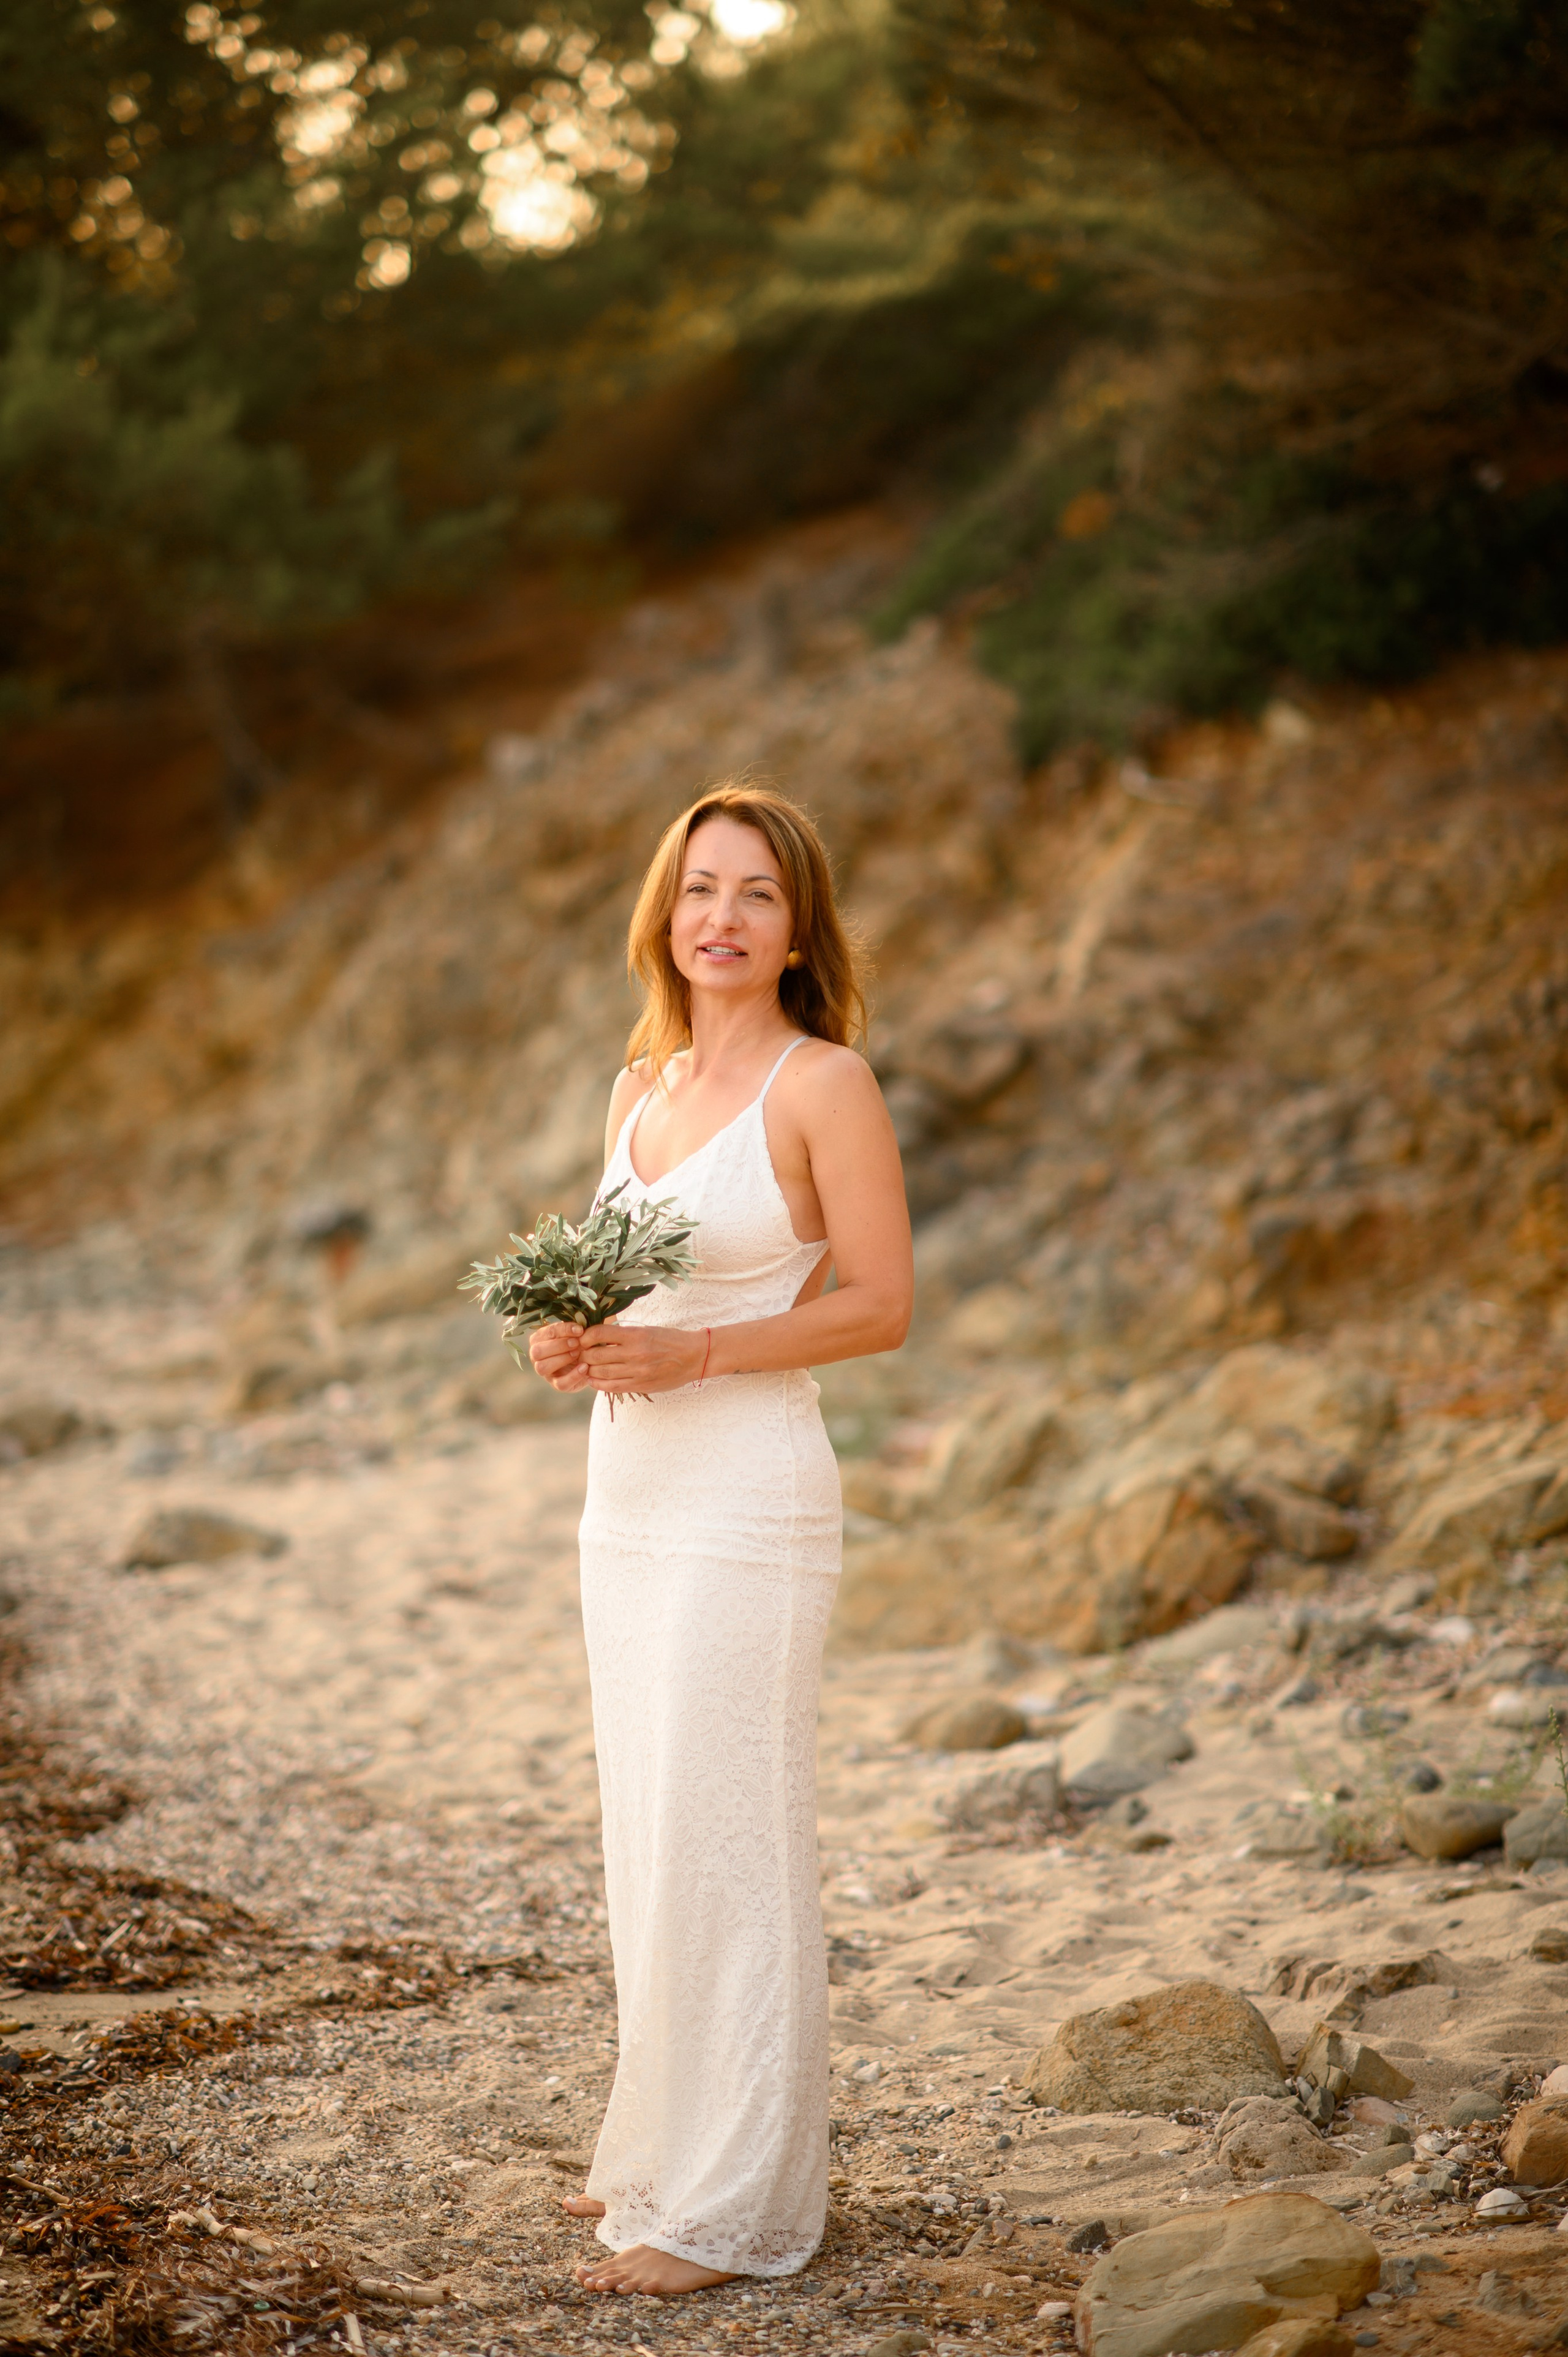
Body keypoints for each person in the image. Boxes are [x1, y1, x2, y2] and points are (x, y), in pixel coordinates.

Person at [527, 783, 913, 2298]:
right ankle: (657, 2147)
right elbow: (613, 1292)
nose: (722, 918)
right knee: (649, 1823)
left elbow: (878, 1304)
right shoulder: (638, 1084)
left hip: (750, 1491)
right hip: (625, 1496)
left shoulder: (826, 1086)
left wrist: (696, 1357)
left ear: (797, 923)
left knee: (731, 1829)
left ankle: (732, 2203)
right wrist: (567, 1342)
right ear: (662, 911)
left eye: (756, 893)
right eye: (699, 889)